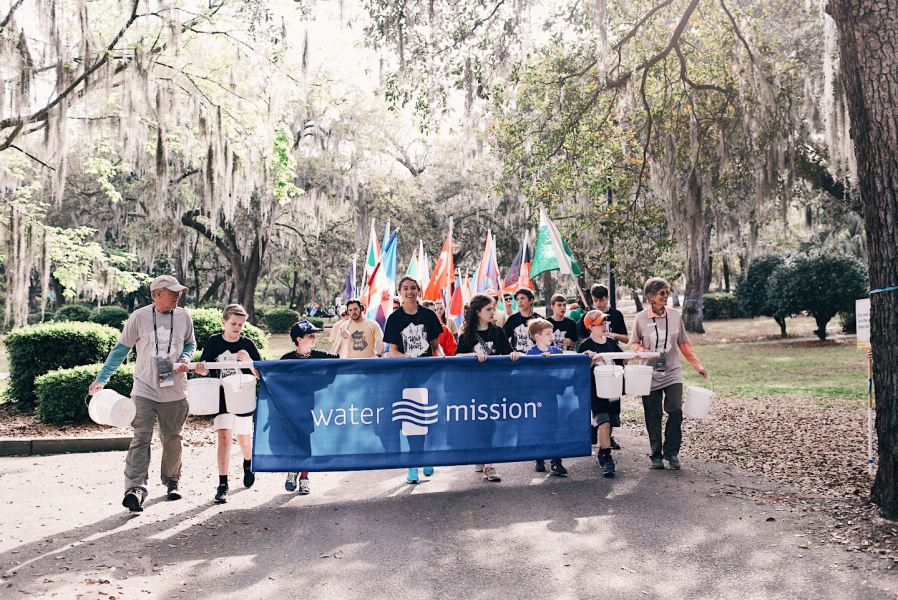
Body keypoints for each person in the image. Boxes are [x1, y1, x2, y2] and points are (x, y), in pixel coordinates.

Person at [88, 275, 196, 513]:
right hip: (145, 390)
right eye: (173, 292)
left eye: (179, 292)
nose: (178, 296)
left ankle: (172, 481)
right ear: (157, 294)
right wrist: (102, 378)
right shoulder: (139, 317)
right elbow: (121, 350)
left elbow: (190, 343)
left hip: (175, 391)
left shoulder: (183, 317)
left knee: (172, 438)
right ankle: (134, 490)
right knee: (141, 439)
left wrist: (186, 358)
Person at [630, 277, 709, 470]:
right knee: (653, 414)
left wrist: (697, 366)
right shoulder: (640, 318)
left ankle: (671, 452)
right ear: (651, 297)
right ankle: (656, 455)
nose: (666, 296)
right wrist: (642, 351)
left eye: (667, 292)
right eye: (661, 293)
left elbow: (684, 344)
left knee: (675, 410)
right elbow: (634, 342)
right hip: (649, 373)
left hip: (672, 371)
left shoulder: (674, 316)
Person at [192, 304, 261, 504]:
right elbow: (205, 368)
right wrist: (201, 369)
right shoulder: (214, 342)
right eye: (233, 324)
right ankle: (222, 484)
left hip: (242, 397)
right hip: (221, 397)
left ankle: (248, 463)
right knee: (224, 438)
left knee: (244, 439)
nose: (237, 328)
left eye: (241, 324)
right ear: (224, 322)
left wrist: (248, 361)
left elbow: (259, 374)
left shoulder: (247, 344)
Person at [455, 294, 522, 482]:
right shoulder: (467, 334)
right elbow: (457, 356)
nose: (493, 312)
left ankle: (489, 464)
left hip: (494, 386)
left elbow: (508, 353)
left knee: (490, 423)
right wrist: (472, 355)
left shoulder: (498, 332)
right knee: (478, 423)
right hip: (473, 387)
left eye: (493, 308)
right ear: (478, 312)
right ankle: (481, 454)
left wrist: (514, 355)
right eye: (489, 309)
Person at [384, 276, 444, 484]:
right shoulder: (394, 318)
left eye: (413, 288)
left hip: (429, 376)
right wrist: (406, 357)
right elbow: (392, 351)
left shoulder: (429, 315)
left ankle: (426, 456)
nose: (409, 292)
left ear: (418, 290)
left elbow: (436, 346)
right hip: (406, 377)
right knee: (412, 421)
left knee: (430, 417)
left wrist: (442, 359)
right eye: (405, 288)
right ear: (400, 291)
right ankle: (413, 463)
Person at [280, 320, 339, 495]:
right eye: (310, 335)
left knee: (306, 440)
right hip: (289, 408)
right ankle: (293, 470)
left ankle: (304, 477)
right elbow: (273, 377)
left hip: (310, 406)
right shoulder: (286, 359)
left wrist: (343, 340)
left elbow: (338, 361)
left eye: (314, 335)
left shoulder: (318, 355)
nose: (314, 338)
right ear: (299, 339)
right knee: (292, 440)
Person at [578, 311, 621, 477]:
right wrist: (589, 360)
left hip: (613, 390)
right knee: (604, 423)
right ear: (590, 327)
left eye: (604, 323)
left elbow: (620, 359)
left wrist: (635, 355)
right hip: (596, 392)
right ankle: (608, 459)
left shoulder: (611, 343)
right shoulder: (585, 346)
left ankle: (602, 451)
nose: (604, 326)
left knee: (611, 423)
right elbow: (579, 370)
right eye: (600, 324)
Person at [525, 318, 569, 477]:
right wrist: (541, 362)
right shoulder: (531, 353)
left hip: (552, 396)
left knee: (553, 426)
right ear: (537, 336)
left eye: (552, 333)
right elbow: (529, 374)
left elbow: (567, 365)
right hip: (537, 397)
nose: (552, 336)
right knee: (539, 427)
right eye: (548, 333)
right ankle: (539, 457)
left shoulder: (556, 351)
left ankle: (556, 461)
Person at [503, 288, 539, 354]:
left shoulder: (539, 320)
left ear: (531, 300)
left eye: (522, 298)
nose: (519, 301)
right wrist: (510, 352)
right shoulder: (512, 319)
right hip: (517, 358)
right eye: (517, 299)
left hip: (535, 357)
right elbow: (503, 339)